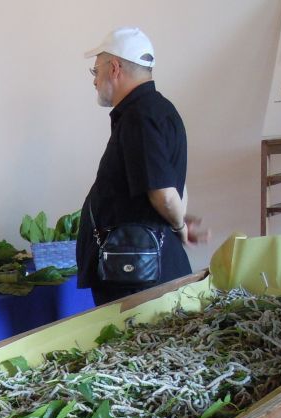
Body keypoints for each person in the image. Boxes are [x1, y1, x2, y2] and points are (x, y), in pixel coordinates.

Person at [76, 27, 209, 306]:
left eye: (95, 71)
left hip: (136, 276)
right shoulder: (159, 110)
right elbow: (175, 187)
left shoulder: (140, 117)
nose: (94, 81)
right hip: (141, 270)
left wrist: (179, 222)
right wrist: (179, 223)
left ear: (114, 68)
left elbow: (164, 194)